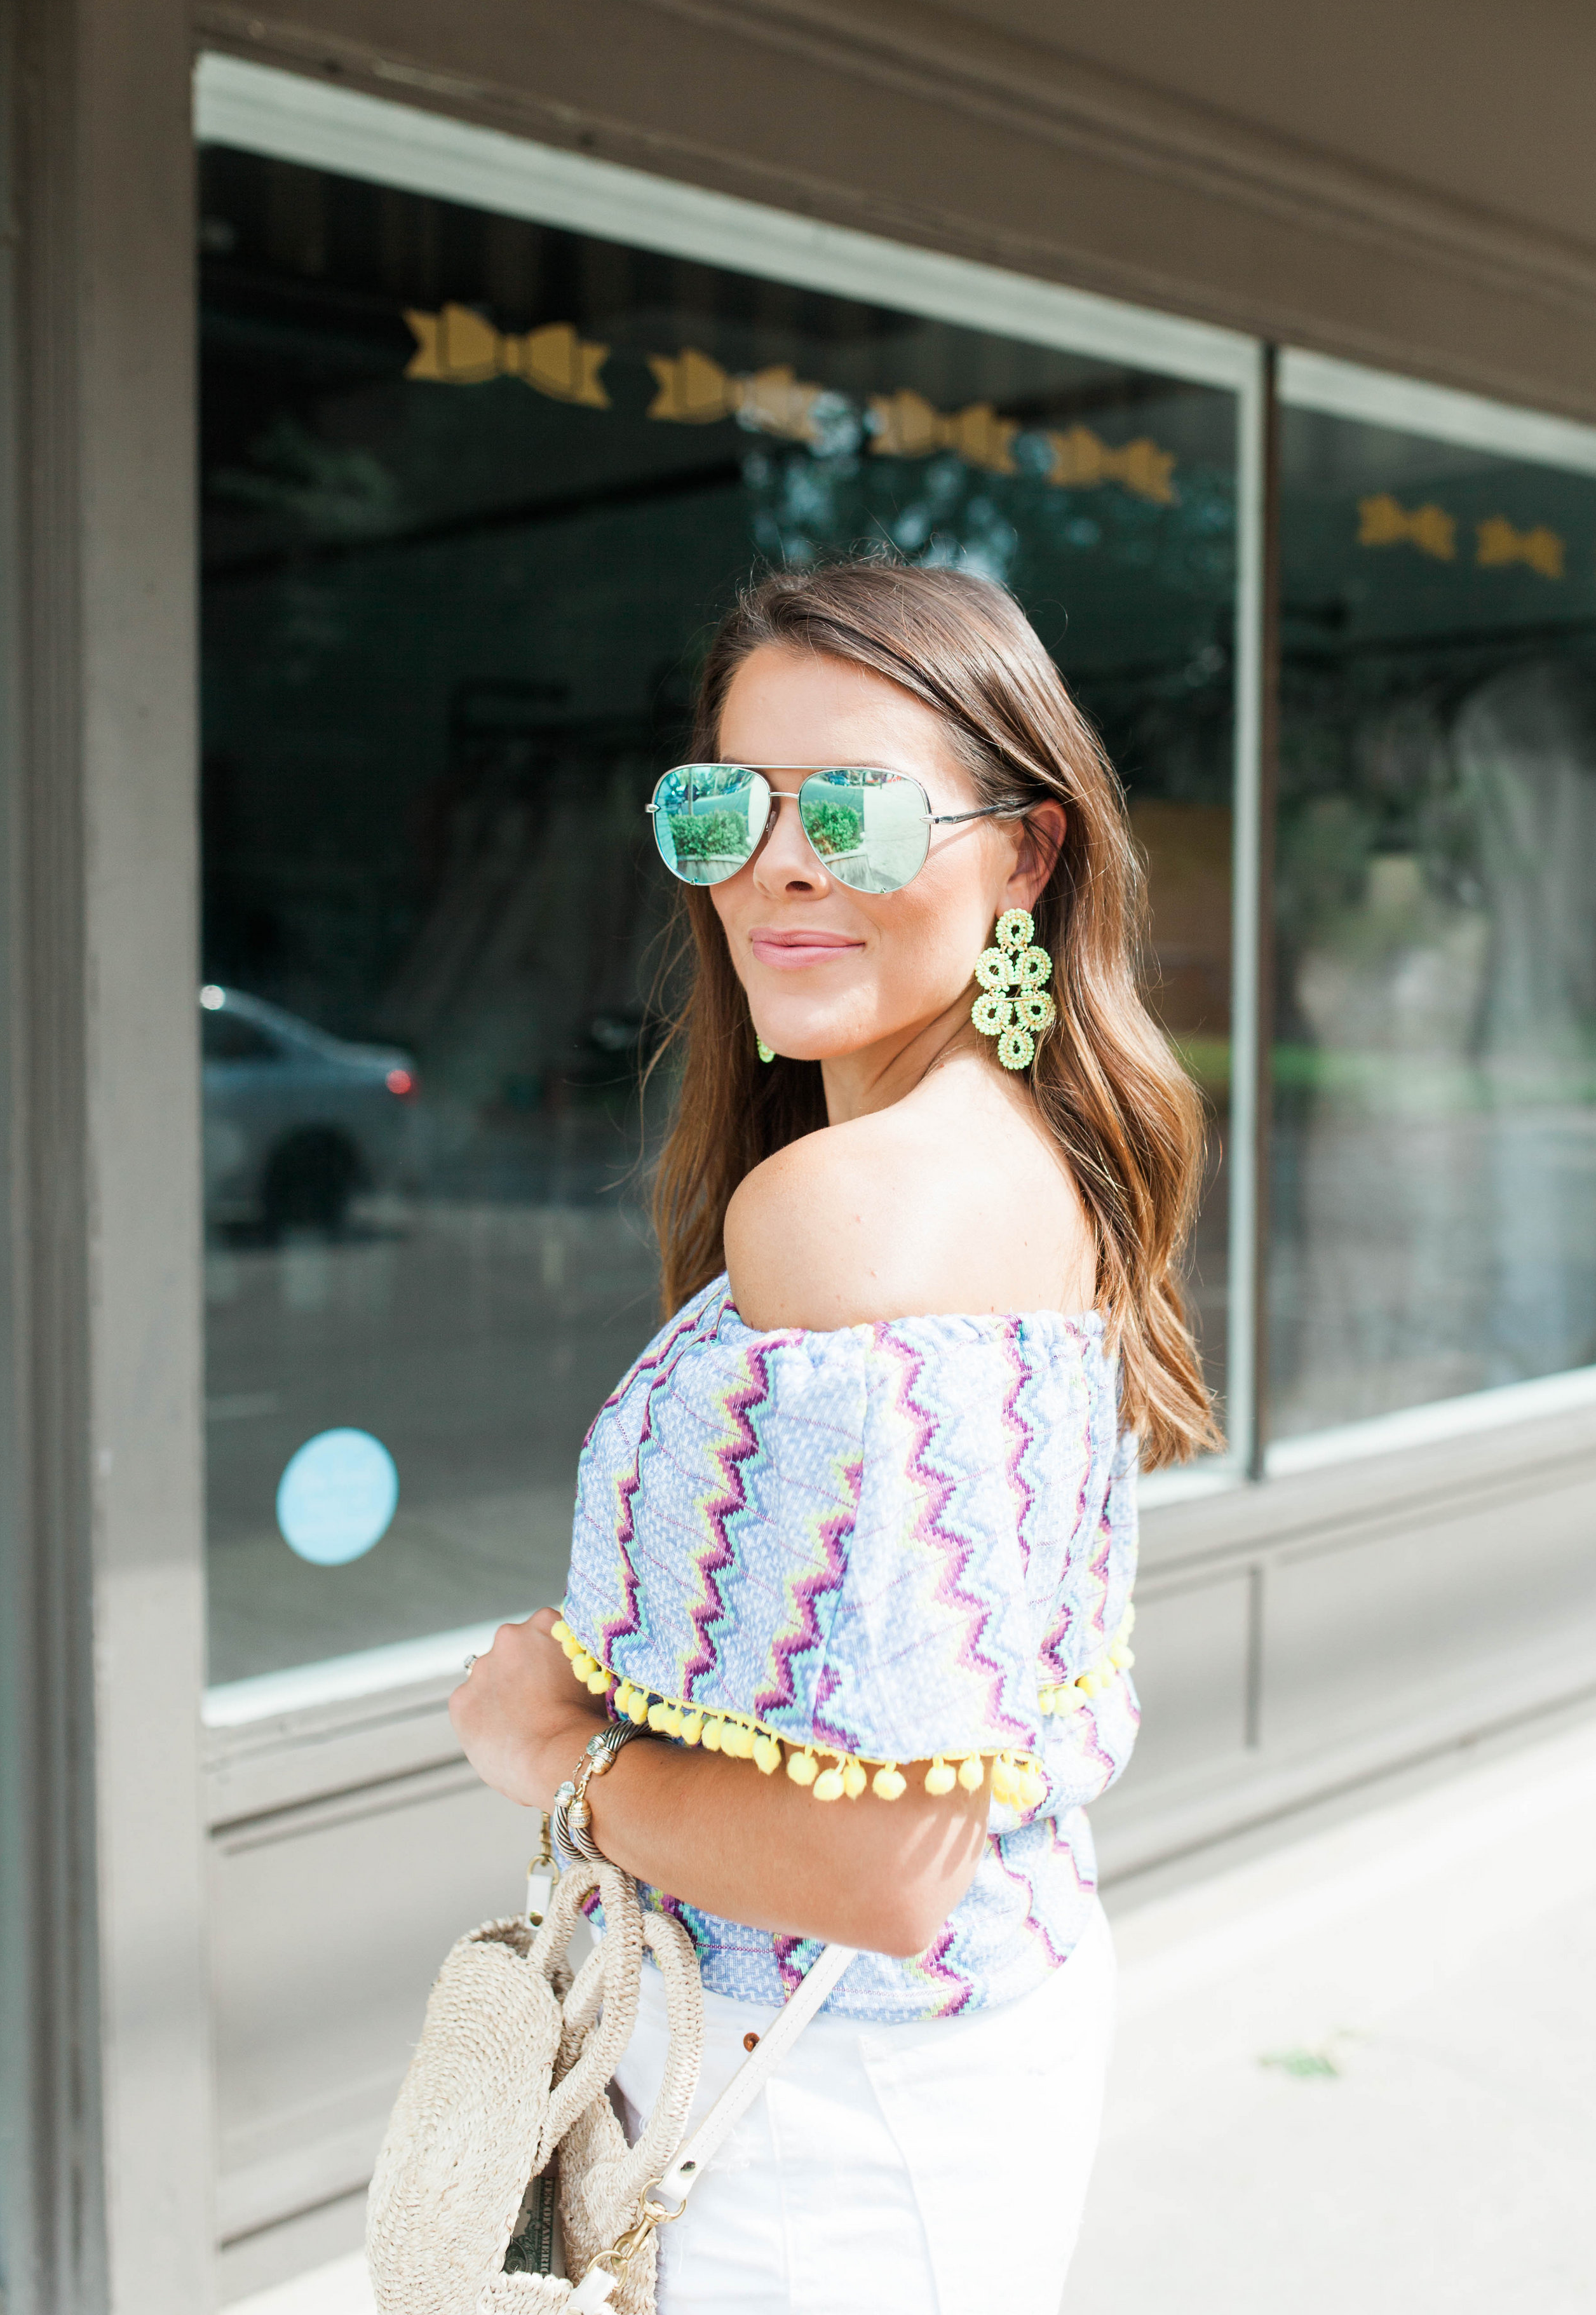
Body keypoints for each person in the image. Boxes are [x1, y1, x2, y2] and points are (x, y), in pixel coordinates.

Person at [450, 558, 1213, 2312]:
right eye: (726, 804)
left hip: (811, 2117)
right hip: (915, 2075)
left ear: (1023, 855)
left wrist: (549, 1746)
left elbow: (874, 1862)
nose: (779, 863)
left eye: (856, 812)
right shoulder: (1024, 1153)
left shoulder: (852, 1210)